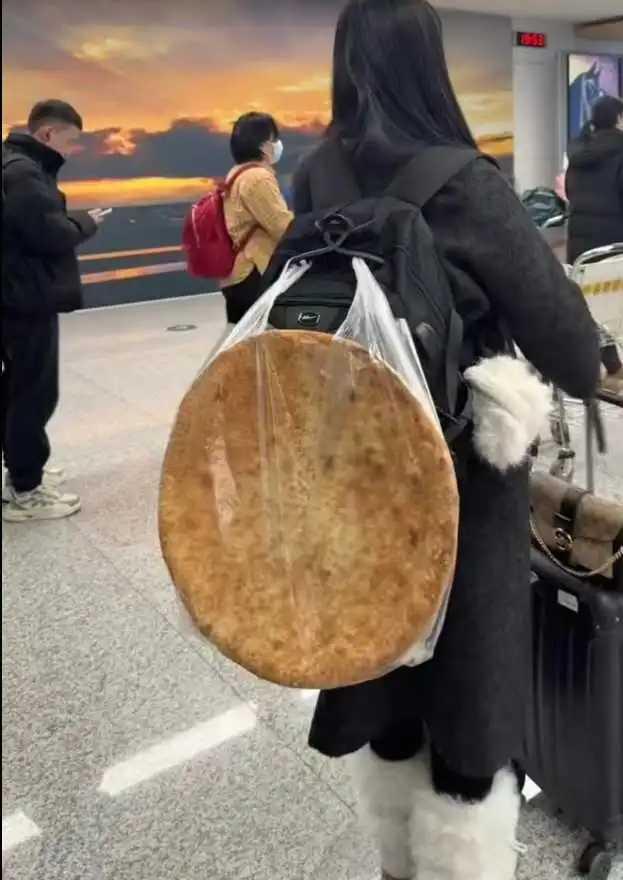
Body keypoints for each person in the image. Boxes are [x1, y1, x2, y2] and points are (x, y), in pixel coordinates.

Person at [293, 2, 600, 879]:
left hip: (353, 471)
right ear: (429, 66)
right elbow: (572, 355)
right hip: (460, 483)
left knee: (386, 674)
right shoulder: (464, 183)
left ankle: (397, 861)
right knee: (471, 696)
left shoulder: (315, 174)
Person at [2, 99, 106, 523]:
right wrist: (86, 222)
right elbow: (48, 234)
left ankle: (20, 471)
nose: (72, 149)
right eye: (71, 140)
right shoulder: (24, 173)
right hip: (27, 298)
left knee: (15, 389)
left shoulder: (13, 165)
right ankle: (27, 491)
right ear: (48, 134)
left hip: (14, 295)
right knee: (34, 392)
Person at [566, 95, 623, 394]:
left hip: (581, 244)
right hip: (615, 243)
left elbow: (570, 193)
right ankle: (613, 368)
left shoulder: (578, 153)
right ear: (618, 119)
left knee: (591, 303)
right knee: (614, 303)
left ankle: (608, 365)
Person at [221, 112, 293, 326]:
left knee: (243, 337)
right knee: (268, 337)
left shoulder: (237, 173)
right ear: (262, 146)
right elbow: (282, 227)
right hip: (254, 272)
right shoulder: (258, 178)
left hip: (236, 274)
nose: (277, 144)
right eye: (273, 139)